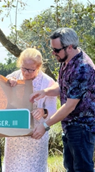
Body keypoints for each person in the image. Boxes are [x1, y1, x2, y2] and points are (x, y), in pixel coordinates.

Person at [30, 28, 95, 172]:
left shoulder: (83, 68)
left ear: (70, 47)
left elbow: (69, 106)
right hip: (69, 127)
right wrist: (44, 92)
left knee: (82, 169)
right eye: (52, 49)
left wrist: (45, 125)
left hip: (82, 128)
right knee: (70, 168)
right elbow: (64, 87)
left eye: (56, 50)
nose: (53, 53)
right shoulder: (66, 60)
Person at [3, 48, 57, 172]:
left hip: (36, 135)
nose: (26, 73)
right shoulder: (13, 77)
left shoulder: (48, 82)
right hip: (15, 137)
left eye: (30, 70)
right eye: (23, 68)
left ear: (38, 67)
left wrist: (44, 112)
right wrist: (6, 85)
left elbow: (53, 111)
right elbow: (1, 100)